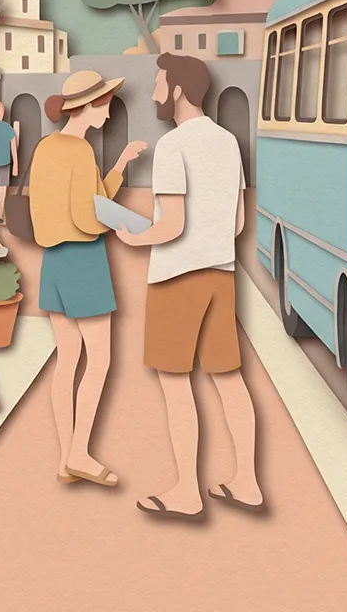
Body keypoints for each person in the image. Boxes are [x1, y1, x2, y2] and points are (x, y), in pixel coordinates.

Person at [116, 53, 264, 520]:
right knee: (229, 378)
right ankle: (248, 482)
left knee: (176, 384)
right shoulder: (228, 143)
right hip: (220, 274)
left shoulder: (174, 147)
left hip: (177, 277)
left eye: (160, 84)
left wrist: (134, 234)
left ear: (178, 90)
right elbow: (239, 222)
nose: (157, 92)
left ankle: (187, 490)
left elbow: (172, 225)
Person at [30, 70, 145, 488]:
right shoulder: (78, 151)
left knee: (67, 361)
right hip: (84, 261)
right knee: (99, 360)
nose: (111, 109)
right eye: (106, 102)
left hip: (53, 262)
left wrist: (119, 165)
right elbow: (88, 214)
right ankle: (80, 454)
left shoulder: (47, 147)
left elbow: (83, 200)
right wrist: (120, 226)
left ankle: (65, 458)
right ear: (89, 106)